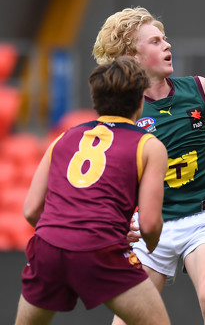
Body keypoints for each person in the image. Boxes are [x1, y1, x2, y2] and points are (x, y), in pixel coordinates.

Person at [93, 7, 205, 325]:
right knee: (126, 320)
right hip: (151, 227)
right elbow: (107, 178)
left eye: (165, 39)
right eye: (155, 41)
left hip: (202, 219)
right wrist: (116, 222)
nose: (167, 45)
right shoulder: (125, 110)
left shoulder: (198, 89)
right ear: (132, 57)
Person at [14, 56, 170, 325]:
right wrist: (152, 250)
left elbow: (31, 210)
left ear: (95, 99)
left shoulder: (63, 138)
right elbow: (150, 223)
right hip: (100, 249)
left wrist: (65, 233)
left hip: (47, 247)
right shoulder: (149, 145)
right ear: (140, 100)